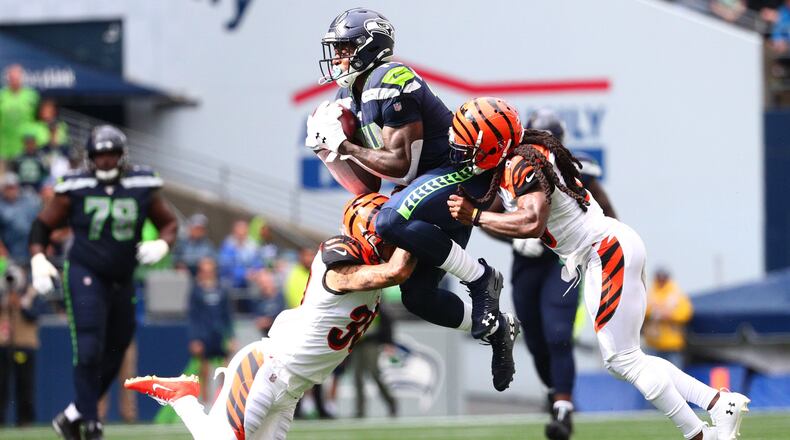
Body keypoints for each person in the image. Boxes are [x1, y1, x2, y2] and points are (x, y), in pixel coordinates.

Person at [447, 97, 750, 440]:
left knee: (623, 360)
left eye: (467, 143)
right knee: (627, 358)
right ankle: (717, 404)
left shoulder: (520, 163)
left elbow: (531, 220)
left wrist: (475, 216)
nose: (461, 150)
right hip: (601, 251)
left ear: (492, 143)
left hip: (602, 252)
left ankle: (699, 432)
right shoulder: (523, 155)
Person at [308, 8, 518, 391]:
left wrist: (346, 144)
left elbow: (401, 165)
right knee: (418, 298)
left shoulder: (390, 77)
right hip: (425, 189)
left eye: (343, 48)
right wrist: (330, 153)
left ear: (368, 48)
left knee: (388, 220)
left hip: (460, 174)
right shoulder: (350, 94)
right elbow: (368, 185)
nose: (337, 58)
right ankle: (496, 325)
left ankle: (483, 278)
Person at [125, 193, 416, 440]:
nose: (391, 241)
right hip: (265, 370)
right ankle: (182, 398)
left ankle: (182, 396)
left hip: (291, 390)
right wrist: (418, 224)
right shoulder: (338, 266)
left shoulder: (366, 270)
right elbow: (397, 271)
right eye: (387, 234)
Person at [28, 125, 178, 440]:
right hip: (85, 270)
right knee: (89, 345)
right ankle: (91, 421)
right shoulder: (75, 186)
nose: (107, 161)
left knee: (119, 344)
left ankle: (73, 414)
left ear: (122, 156)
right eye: (101, 155)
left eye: (112, 154)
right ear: (90, 158)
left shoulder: (141, 184)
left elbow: (168, 222)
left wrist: (164, 243)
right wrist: (38, 259)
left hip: (123, 276)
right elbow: (42, 226)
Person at [506, 109, 617, 440]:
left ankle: (563, 408)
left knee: (557, 332)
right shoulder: (514, 167)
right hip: (527, 262)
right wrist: (515, 233)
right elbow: (493, 214)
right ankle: (554, 392)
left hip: (563, 257)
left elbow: (607, 213)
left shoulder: (573, 167)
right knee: (537, 340)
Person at [0, 264, 48, 426]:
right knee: (2, 386)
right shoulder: (4, 293)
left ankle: (26, 421)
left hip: (24, 346)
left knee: (25, 385)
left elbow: (36, 314)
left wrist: (21, 305)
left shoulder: (32, 293)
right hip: (5, 346)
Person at [188, 257, 235, 402]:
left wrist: (231, 337)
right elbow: (193, 317)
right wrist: (194, 339)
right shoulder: (196, 292)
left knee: (225, 369)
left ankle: (223, 399)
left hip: (220, 335)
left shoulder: (222, 290)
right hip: (203, 336)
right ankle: (205, 401)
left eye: (210, 270)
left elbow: (228, 315)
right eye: (204, 271)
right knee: (204, 370)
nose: (207, 274)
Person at [644, 268, 694, 368]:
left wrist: (670, 315)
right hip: (653, 343)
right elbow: (641, 310)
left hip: (673, 344)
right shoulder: (649, 293)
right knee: (653, 378)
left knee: (675, 377)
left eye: (663, 278)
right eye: (659, 278)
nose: (661, 281)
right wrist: (657, 311)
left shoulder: (676, 293)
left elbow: (686, 313)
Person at [0, 64, 39, 163]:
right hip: (4, 147)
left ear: (21, 78)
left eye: (17, 77)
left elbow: (38, 119)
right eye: (12, 77)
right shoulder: (2, 95)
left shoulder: (32, 96)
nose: (14, 80)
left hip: (25, 147)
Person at [0, 173, 40, 266]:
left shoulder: (29, 201)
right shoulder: (1, 205)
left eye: (13, 187)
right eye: (8, 187)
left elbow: (39, 221)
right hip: (10, 251)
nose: (12, 190)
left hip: (30, 248)